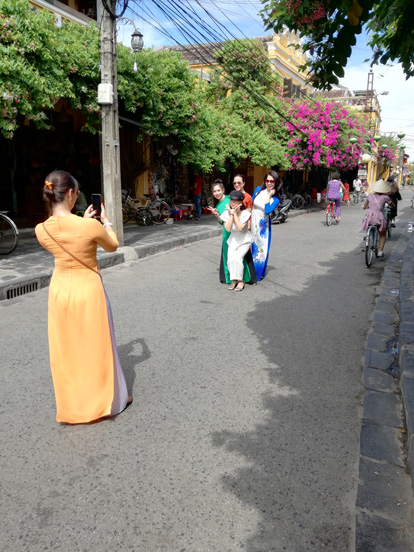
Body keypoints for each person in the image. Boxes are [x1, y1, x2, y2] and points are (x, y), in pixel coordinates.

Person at [35, 170, 131, 424]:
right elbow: (112, 245)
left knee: (68, 348)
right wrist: (106, 222)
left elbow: (65, 234)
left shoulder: (40, 230)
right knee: (99, 344)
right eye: (76, 193)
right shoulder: (90, 226)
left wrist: (83, 221)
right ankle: (109, 399)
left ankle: (73, 404)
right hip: (88, 290)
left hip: (60, 291)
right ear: (70, 194)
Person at [209, 180, 256, 285]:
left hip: (239, 231)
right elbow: (222, 222)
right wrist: (216, 214)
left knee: (240, 257)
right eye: (214, 191)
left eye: (218, 190)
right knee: (229, 257)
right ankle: (231, 278)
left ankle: (243, 279)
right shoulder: (218, 206)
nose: (217, 193)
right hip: (228, 231)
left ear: (223, 190)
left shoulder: (229, 198)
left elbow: (243, 209)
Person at [218, 190, 252, 291]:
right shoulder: (226, 213)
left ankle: (240, 281)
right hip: (233, 240)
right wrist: (231, 215)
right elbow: (228, 229)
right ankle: (233, 280)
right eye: (231, 200)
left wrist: (235, 214)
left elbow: (240, 228)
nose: (232, 203)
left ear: (240, 203)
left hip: (244, 241)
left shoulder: (246, 213)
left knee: (237, 259)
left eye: (235, 201)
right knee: (230, 260)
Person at [251, 170, 282, 281]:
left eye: (271, 181)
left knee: (261, 250)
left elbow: (268, 210)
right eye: (267, 180)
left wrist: (269, 195)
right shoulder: (258, 190)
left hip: (263, 228)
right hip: (253, 223)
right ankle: (249, 271)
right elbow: (251, 203)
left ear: (275, 182)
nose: (269, 183)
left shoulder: (275, 198)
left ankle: (258, 273)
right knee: (251, 247)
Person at [361, 179, 394, 257]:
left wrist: (365, 207)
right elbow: (392, 205)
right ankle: (380, 250)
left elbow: (365, 206)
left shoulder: (369, 196)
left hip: (369, 217)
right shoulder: (386, 197)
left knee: (369, 225)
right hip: (378, 217)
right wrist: (391, 206)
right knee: (382, 234)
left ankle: (367, 236)